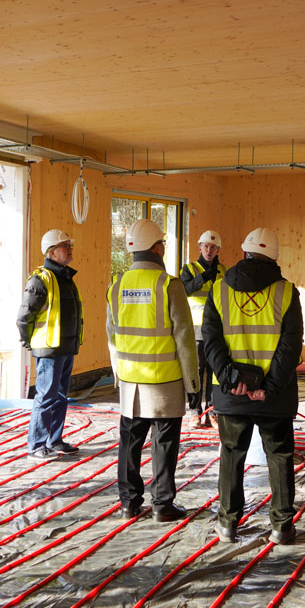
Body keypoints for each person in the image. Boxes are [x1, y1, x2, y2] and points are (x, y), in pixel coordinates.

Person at [202, 227, 304, 545]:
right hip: (274, 397)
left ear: (243, 253)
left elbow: (211, 342)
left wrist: (232, 379)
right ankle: (281, 528)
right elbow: (291, 347)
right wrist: (269, 388)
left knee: (232, 454)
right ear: (274, 258)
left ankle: (228, 524)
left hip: (232, 395)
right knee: (279, 456)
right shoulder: (286, 292)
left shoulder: (219, 289)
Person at [107, 219, 200, 522]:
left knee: (130, 443)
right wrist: (194, 385)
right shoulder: (168, 285)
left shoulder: (117, 285)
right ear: (157, 248)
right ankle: (162, 505)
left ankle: (128, 504)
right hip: (165, 382)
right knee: (164, 444)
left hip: (131, 381)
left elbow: (112, 335)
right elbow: (184, 339)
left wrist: (119, 374)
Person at [16, 228, 84, 459]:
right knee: (46, 397)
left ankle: (54, 441)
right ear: (52, 253)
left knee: (60, 396)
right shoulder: (40, 280)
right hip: (49, 349)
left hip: (64, 348)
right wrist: (29, 342)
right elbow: (24, 317)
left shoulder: (66, 278)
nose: (70, 249)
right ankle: (36, 445)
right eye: (66, 246)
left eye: (70, 245)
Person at [179, 230, 227, 427]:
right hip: (196, 329)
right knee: (196, 372)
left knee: (215, 371)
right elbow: (185, 289)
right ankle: (195, 412)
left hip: (217, 329)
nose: (209, 250)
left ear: (218, 250)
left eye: (213, 247)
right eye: (206, 246)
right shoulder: (190, 269)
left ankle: (212, 412)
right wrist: (206, 277)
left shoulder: (224, 270)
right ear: (199, 247)